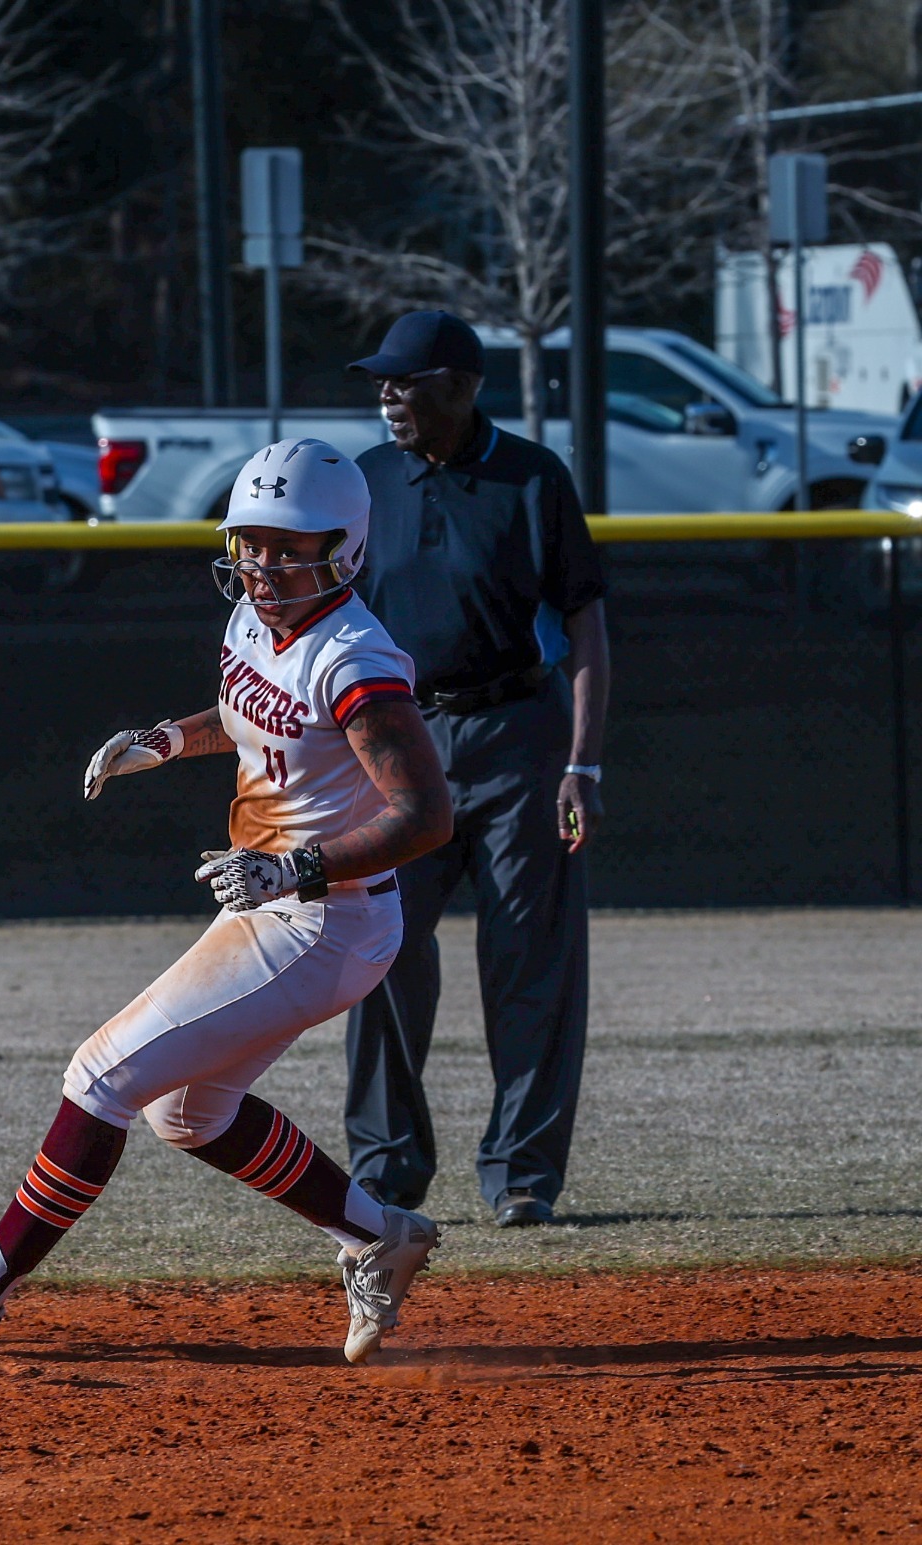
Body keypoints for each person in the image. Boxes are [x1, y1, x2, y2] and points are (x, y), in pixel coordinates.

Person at [0, 439, 454, 1362]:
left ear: (346, 548)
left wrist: (294, 868)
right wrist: (165, 741)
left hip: (326, 917)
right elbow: (253, 716)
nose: (263, 564)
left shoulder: (355, 657)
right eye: (251, 542)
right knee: (189, 1115)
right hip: (283, 905)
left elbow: (426, 815)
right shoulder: (260, 626)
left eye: (288, 546)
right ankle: (379, 1233)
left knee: (101, 1075)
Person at [342, 311, 610, 1229]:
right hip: (399, 746)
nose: (388, 394)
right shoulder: (367, 482)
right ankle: (384, 1169)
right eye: (381, 379)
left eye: (407, 380)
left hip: (519, 740)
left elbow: (585, 625)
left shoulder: (532, 477)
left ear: (460, 386)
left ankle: (523, 1175)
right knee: (375, 952)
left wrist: (584, 761)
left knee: (531, 960)